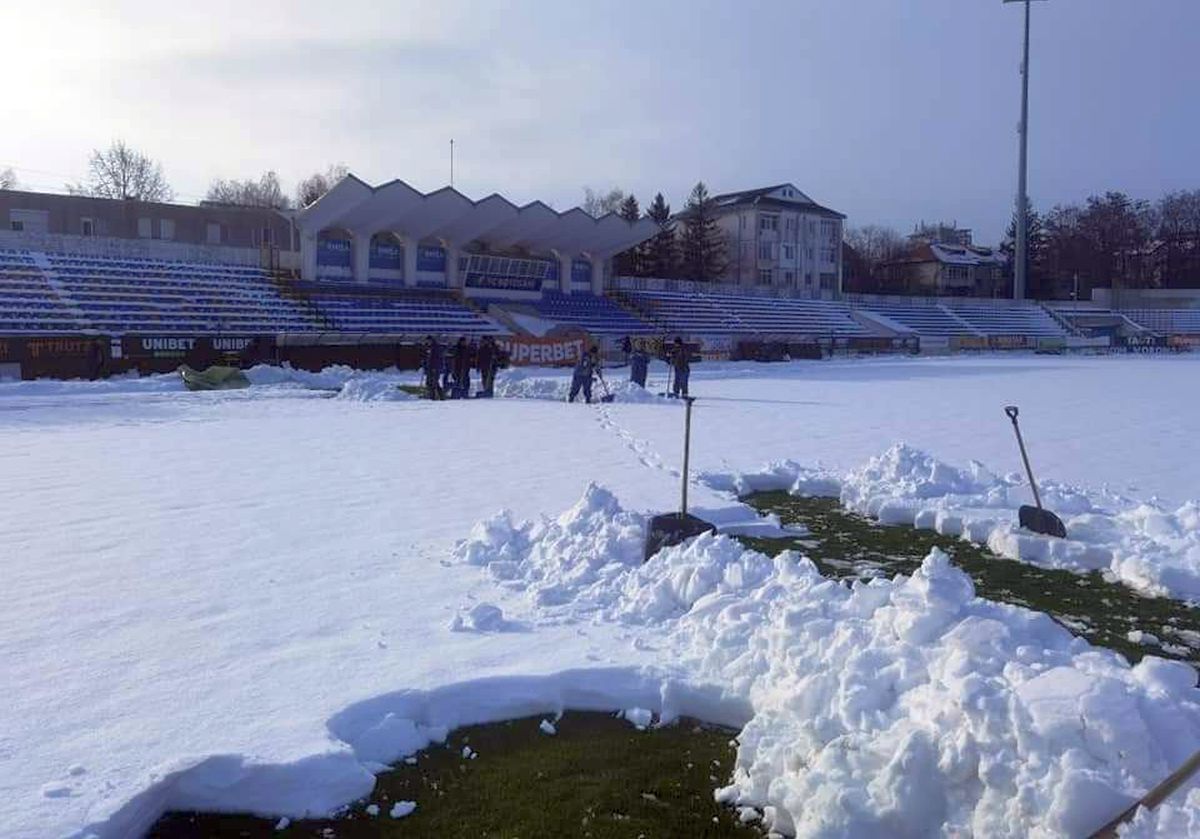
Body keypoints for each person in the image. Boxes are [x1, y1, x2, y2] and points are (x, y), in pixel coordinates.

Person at [422, 336, 444, 400]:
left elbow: (437, 359)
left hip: (435, 368)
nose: (427, 342)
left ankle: (434, 397)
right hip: (430, 368)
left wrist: (435, 367)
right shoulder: (428, 348)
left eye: (428, 341)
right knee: (431, 383)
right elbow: (427, 358)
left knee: (433, 383)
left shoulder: (436, 348)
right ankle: (439, 396)